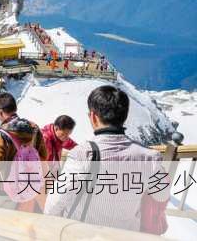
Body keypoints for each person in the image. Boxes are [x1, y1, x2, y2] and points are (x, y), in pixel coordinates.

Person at [44, 85, 169, 233]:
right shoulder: (150, 157)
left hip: (82, 234)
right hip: (126, 235)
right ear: (124, 117)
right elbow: (162, 196)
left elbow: (54, 204)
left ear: (93, 117)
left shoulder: (82, 154)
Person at [0, 93, 47, 209]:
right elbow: (43, 156)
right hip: (28, 186)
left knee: (3, 222)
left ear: (0, 112)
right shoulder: (34, 128)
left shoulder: (0, 135)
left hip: (5, 190)